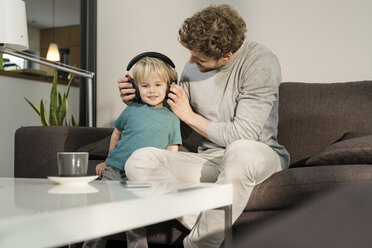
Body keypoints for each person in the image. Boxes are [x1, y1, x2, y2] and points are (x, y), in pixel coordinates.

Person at [118, 4, 290, 248]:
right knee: (138, 160)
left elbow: (244, 134)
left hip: (257, 154)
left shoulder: (260, 61)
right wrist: (136, 99)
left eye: (198, 58)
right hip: (210, 159)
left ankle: (199, 244)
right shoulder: (192, 67)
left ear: (227, 56)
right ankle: (210, 228)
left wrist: (189, 116)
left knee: (240, 150)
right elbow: (169, 114)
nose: (190, 61)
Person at [83, 55, 182, 248]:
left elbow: (172, 149)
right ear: (136, 88)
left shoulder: (172, 118)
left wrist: (170, 176)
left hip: (141, 176)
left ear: (169, 87)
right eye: (145, 86)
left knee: (134, 220)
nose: (151, 90)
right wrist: (108, 159)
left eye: (158, 85)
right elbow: (116, 133)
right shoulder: (130, 110)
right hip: (114, 169)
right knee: (102, 214)